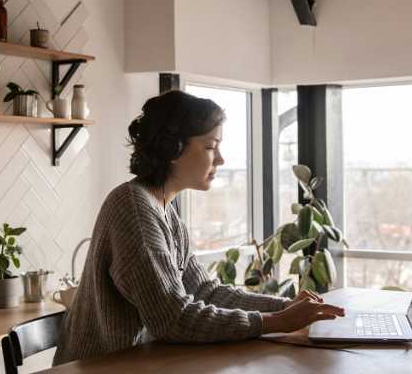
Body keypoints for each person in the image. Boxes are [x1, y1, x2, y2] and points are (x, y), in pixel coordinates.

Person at [54, 90, 345, 365]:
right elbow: (173, 319)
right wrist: (277, 322)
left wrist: (285, 306)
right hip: (98, 368)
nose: (220, 159)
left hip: (138, 363)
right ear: (172, 148)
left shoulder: (163, 210)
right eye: (210, 146)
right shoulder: (134, 209)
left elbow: (205, 291)